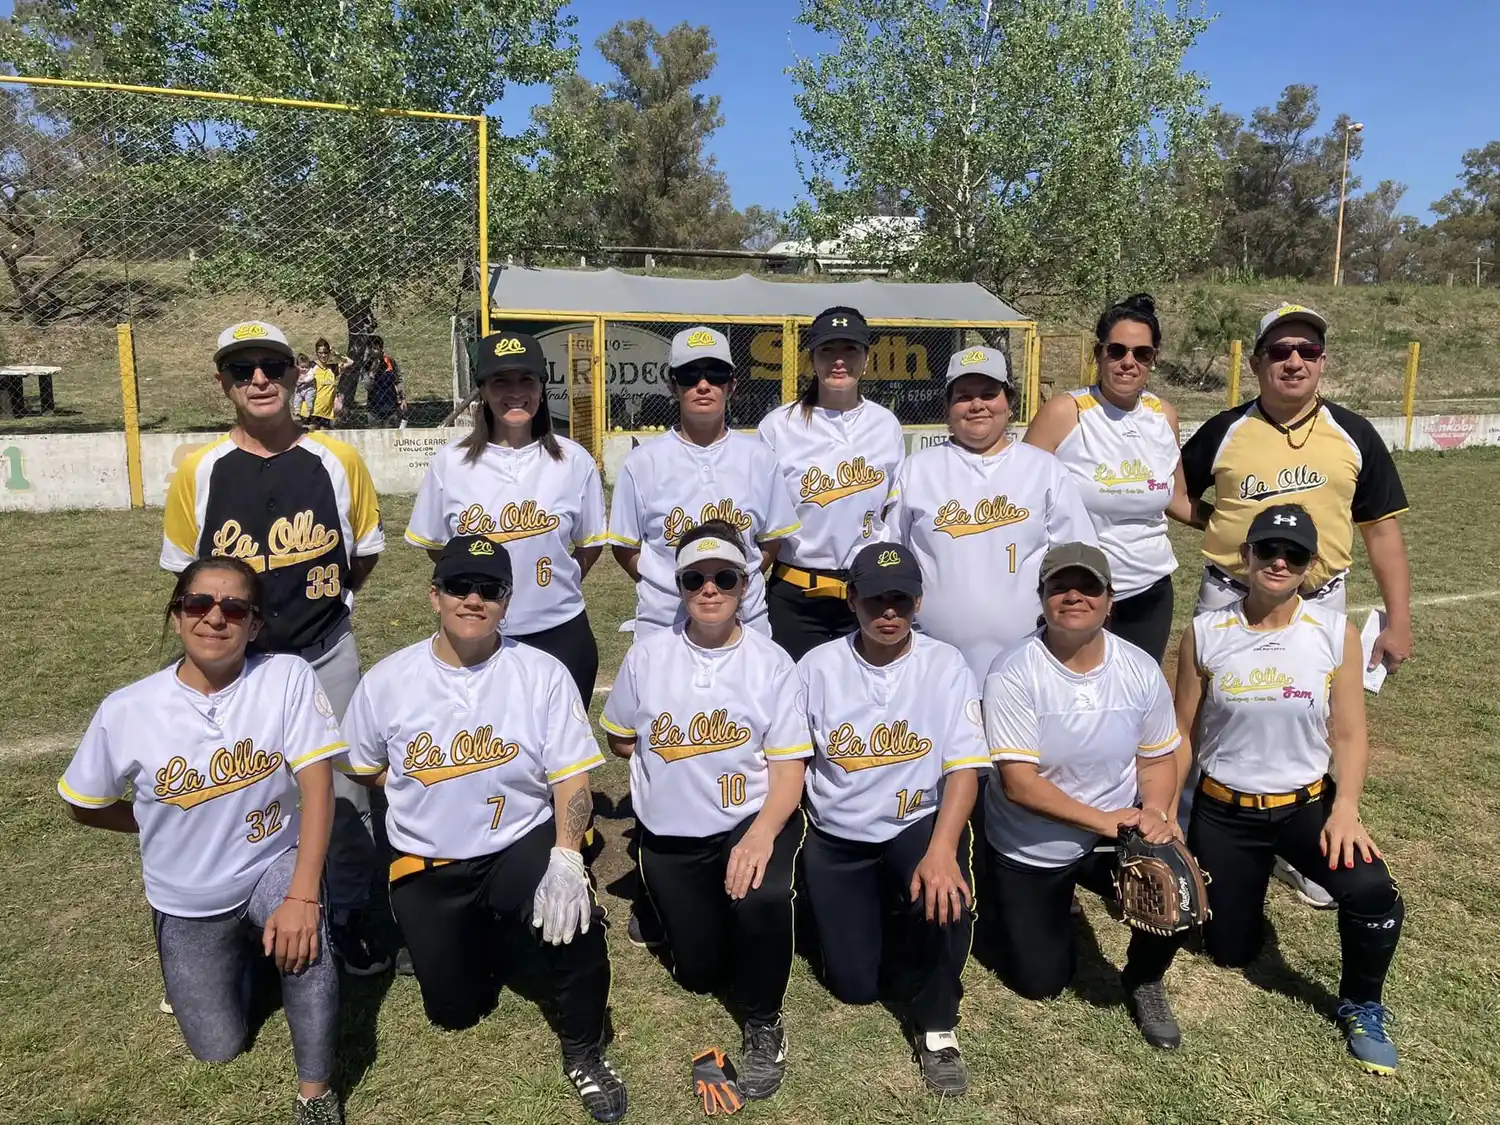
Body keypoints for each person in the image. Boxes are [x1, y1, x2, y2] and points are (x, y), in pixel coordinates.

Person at [340, 536, 627, 1123]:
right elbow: (364, 768)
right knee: (454, 1010)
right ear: (435, 595)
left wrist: (567, 857)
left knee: (577, 922)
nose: (473, 599)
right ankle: (489, 932)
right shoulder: (389, 680)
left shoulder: (541, 673)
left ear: (507, 601)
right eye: (459, 586)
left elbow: (572, 777)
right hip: (431, 860)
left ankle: (584, 1051)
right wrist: (429, 797)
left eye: (490, 589)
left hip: (518, 842)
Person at [58, 558, 347, 1124]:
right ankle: (245, 955)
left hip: (270, 862)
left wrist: (302, 896)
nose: (215, 618)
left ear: (255, 625)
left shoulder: (285, 676)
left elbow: (318, 788)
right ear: (177, 615)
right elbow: (82, 804)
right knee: (218, 1047)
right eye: (198, 604)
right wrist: (155, 819)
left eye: (235, 608)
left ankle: (315, 1095)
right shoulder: (127, 708)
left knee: (310, 939)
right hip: (188, 897)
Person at [162, 321, 389, 977]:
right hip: (235, 667)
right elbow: (186, 576)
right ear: (223, 383)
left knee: (346, 792)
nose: (258, 379)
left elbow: (362, 555)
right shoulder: (199, 470)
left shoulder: (337, 461)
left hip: (324, 653)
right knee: (237, 792)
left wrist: (325, 603)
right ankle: (235, 919)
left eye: (270, 366)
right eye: (242, 369)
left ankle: (347, 912)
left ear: (295, 374)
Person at [1176, 302, 1412, 908]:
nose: (1294, 361)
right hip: (1232, 592)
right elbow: (1176, 493)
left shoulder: (1353, 434)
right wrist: (1222, 523)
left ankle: (1304, 841)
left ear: (1323, 362)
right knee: (1206, 719)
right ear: (1257, 363)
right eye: (1280, 350)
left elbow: (1381, 530)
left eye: (1308, 350)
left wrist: (1399, 620)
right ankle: (1192, 841)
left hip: (1319, 597)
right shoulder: (1225, 430)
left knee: (1318, 720)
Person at [1173, 505, 1404, 1074]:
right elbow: (1181, 733)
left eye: (1294, 555)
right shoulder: (1204, 632)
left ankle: (1363, 1003)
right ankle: (1246, 886)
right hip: (1225, 811)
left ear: (1310, 565)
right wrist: (1165, 812)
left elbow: (1349, 734)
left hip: (1307, 806)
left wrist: (1345, 808)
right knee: (1230, 952)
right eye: (1268, 550)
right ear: (1245, 555)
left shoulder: (1334, 633)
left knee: (1373, 891)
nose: (1279, 562)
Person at [600, 522, 811, 1102]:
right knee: (699, 974)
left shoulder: (771, 662)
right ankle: (672, 906)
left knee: (762, 896)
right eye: (695, 579)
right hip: (671, 834)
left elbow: (789, 770)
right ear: (679, 587)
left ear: (745, 584)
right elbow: (620, 737)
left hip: (747, 820)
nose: (710, 589)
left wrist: (760, 836)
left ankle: (764, 1022)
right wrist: (680, 764)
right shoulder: (648, 656)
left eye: (724, 577)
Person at [797, 542, 988, 1095]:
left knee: (947, 897)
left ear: (918, 602)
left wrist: (942, 851)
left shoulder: (945, 664)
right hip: (839, 835)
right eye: (875, 599)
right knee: (855, 987)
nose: (888, 612)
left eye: (901, 599)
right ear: (851, 599)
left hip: (914, 825)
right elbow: (791, 762)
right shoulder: (817, 667)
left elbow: (965, 768)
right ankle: (874, 920)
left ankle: (938, 1029)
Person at [981, 542, 1186, 1049]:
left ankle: (1145, 977)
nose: (1074, 596)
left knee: (1177, 887)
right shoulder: (1012, 671)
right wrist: (1109, 820)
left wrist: (1156, 812)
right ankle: (1007, 893)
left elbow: (1157, 758)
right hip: (1033, 839)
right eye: (1060, 587)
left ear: (1110, 600)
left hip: (1116, 828)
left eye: (1089, 587)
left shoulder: (1138, 667)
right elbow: (1019, 784)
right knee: (1041, 982)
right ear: (1042, 598)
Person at [405, 330, 606, 701]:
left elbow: (589, 545)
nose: (516, 392)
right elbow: (438, 547)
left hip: (559, 630)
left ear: (542, 386)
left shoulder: (574, 461)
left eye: (527, 380)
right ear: (482, 390)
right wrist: (476, 581)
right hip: (478, 634)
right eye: (500, 381)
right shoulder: (451, 463)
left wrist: (555, 580)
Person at [884, 345, 1096, 681]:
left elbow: (1078, 557)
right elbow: (891, 556)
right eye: (964, 396)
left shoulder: (1043, 469)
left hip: (1029, 659)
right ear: (947, 406)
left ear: (1009, 403)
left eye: (988, 394)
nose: (977, 405)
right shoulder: (917, 470)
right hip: (932, 662)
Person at [608, 325, 800, 639]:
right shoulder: (642, 462)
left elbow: (771, 541)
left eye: (715, 374)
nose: (703, 385)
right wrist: (667, 586)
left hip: (744, 620)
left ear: (732, 385)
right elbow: (624, 546)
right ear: (672, 386)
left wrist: (732, 586)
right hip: (665, 623)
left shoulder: (760, 458)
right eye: (689, 375)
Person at [1024, 294, 1185, 663]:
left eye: (1142, 353)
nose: (1129, 362)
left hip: (1150, 588)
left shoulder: (1164, 416)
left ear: (1153, 359)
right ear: (1098, 354)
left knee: (1137, 689)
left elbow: (1177, 498)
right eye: (1117, 350)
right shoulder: (1065, 412)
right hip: (1079, 590)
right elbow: (1021, 495)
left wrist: (1237, 520)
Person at [757, 306, 905, 660]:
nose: (839, 361)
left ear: (866, 358)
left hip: (867, 593)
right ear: (812, 358)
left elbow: (892, 512)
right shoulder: (779, 426)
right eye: (827, 350)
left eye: (850, 349)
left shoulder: (885, 424)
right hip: (796, 595)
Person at [304, 338, 341, 431]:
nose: (323, 355)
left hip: (326, 412)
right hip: (313, 411)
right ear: (316, 353)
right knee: (310, 436)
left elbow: (350, 362)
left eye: (326, 352)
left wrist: (337, 353)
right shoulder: (311, 366)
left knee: (324, 437)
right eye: (320, 353)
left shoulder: (332, 368)